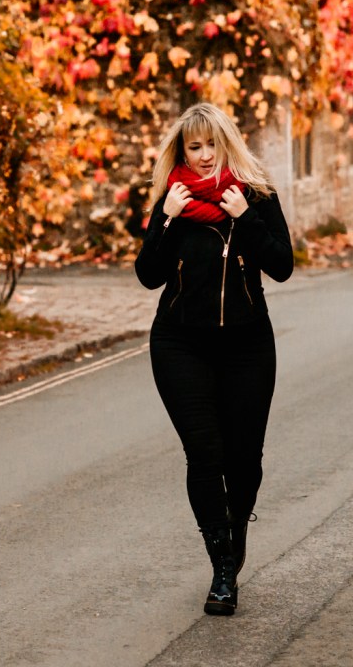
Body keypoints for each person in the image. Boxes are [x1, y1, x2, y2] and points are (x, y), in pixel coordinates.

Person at [135, 102, 294, 616]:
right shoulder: (173, 199)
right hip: (181, 344)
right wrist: (165, 219)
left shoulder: (256, 195)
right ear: (182, 153)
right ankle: (223, 567)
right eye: (194, 147)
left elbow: (282, 266)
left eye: (212, 145)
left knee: (244, 461)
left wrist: (245, 218)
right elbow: (148, 275)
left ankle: (235, 528)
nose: (204, 156)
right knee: (205, 456)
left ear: (228, 144)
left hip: (247, 345)